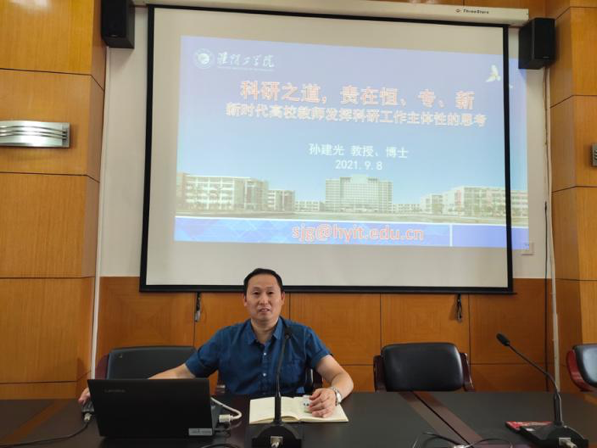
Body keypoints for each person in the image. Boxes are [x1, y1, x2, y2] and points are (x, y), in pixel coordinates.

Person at [79, 268, 354, 418]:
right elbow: (182, 373)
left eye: (271, 293)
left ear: (282, 298)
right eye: (256, 293)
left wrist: (334, 394)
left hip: (292, 424)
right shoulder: (226, 338)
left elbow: (341, 376)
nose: (264, 301)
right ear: (244, 300)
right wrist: (117, 393)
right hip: (238, 423)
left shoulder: (302, 335)